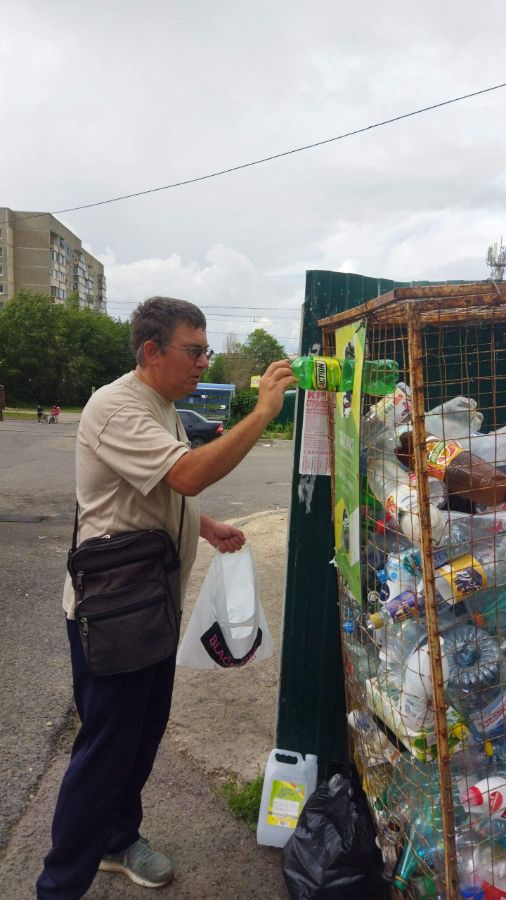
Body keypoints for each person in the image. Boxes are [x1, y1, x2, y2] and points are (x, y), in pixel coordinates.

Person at [36, 296, 295, 899]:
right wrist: (264, 411)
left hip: (149, 604)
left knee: (139, 736)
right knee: (105, 749)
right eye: (194, 351)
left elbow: (153, 492)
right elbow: (186, 475)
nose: (204, 362)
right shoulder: (117, 406)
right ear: (152, 351)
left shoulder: (163, 406)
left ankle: (117, 840)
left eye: (206, 350)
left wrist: (204, 526)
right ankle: (59, 885)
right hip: (114, 610)